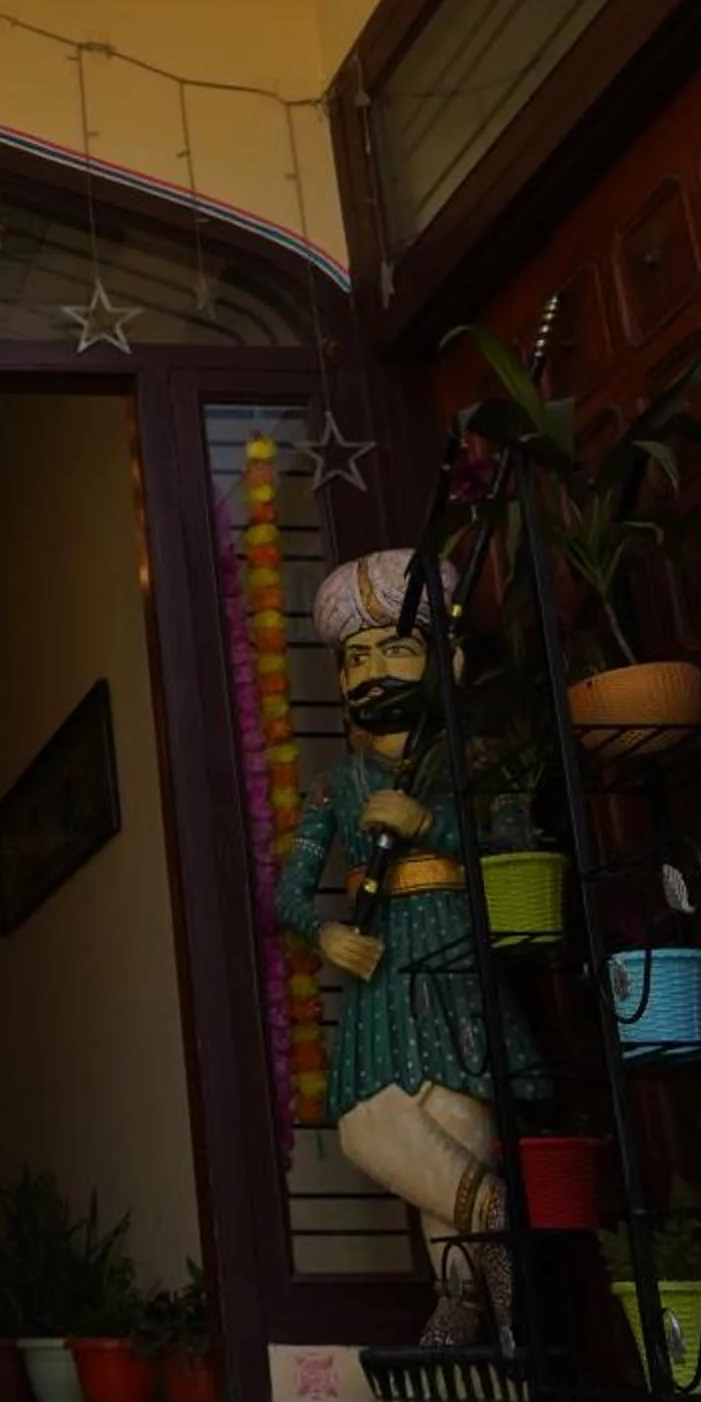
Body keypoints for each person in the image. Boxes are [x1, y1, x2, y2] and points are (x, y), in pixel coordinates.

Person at [277, 547, 547, 1347]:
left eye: (392, 648)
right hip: (378, 961)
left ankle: (467, 1313)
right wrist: (324, 932)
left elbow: (518, 855)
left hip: (452, 955)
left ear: (446, 659)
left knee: (453, 1128)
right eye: (354, 658)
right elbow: (288, 888)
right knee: (369, 1127)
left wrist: (434, 824)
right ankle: (502, 1228)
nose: (370, 672)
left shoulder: (476, 763)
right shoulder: (339, 784)